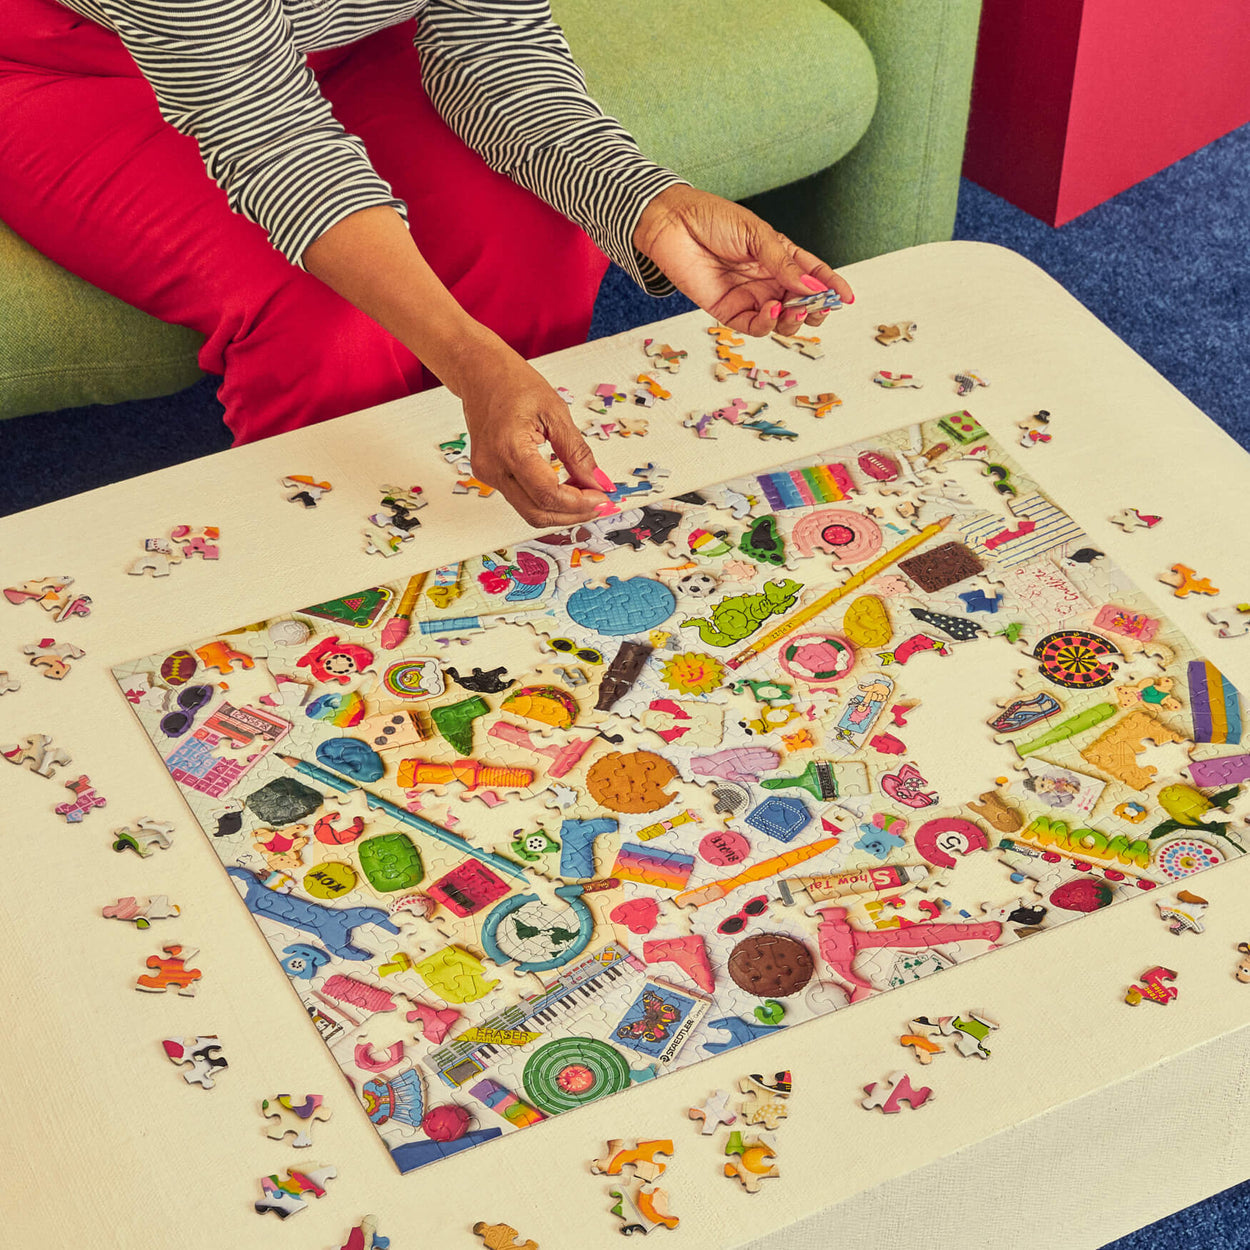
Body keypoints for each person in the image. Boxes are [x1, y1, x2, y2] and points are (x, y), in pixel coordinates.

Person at [0, 0, 853, 528]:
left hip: (352, 36)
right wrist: (470, 357)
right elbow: (266, 131)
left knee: (538, 250)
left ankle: (513, 517)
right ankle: (337, 587)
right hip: (75, 66)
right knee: (325, 325)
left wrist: (649, 204)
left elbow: (495, 47)